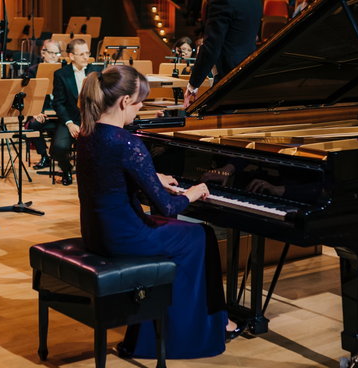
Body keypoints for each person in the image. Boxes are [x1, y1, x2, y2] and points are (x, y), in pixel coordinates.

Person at [76, 65, 237, 360]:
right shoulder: (127, 142)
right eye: (139, 103)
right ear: (125, 101)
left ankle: (212, 318)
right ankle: (195, 330)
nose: (139, 110)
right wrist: (193, 192)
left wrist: (154, 178)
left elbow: (109, 180)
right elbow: (168, 206)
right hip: (126, 237)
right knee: (200, 235)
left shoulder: (88, 134)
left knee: (188, 234)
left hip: (97, 234)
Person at [185, 0, 262, 107]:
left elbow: (211, 47)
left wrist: (193, 84)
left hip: (228, 80)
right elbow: (222, 0)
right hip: (247, 76)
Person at [51, 38, 102, 185]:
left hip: (92, 119)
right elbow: (58, 103)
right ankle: (66, 169)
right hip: (70, 119)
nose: (86, 57)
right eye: (82, 54)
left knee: (102, 142)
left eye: (87, 53)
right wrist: (69, 123)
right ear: (72, 56)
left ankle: (94, 174)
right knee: (59, 147)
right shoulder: (61, 74)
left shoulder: (95, 72)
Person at [26, 39, 63, 169]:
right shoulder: (33, 71)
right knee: (34, 124)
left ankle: (60, 155)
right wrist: (37, 112)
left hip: (60, 113)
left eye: (57, 53)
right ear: (43, 53)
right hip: (42, 111)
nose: (54, 56)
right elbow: (31, 96)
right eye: (51, 52)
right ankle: (44, 156)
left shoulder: (64, 70)